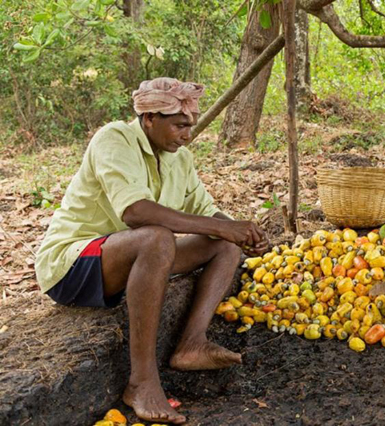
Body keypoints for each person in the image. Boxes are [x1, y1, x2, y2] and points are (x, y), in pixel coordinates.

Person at [35, 77, 269, 424]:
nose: (187, 135)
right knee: (156, 237)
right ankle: (141, 381)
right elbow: (135, 213)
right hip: (73, 265)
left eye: (189, 126)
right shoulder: (114, 139)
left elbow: (206, 212)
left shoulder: (180, 158)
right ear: (148, 119)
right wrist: (220, 226)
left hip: (130, 259)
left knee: (224, 244)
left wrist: (240, 230)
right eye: (178, 125)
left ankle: (192, 344)